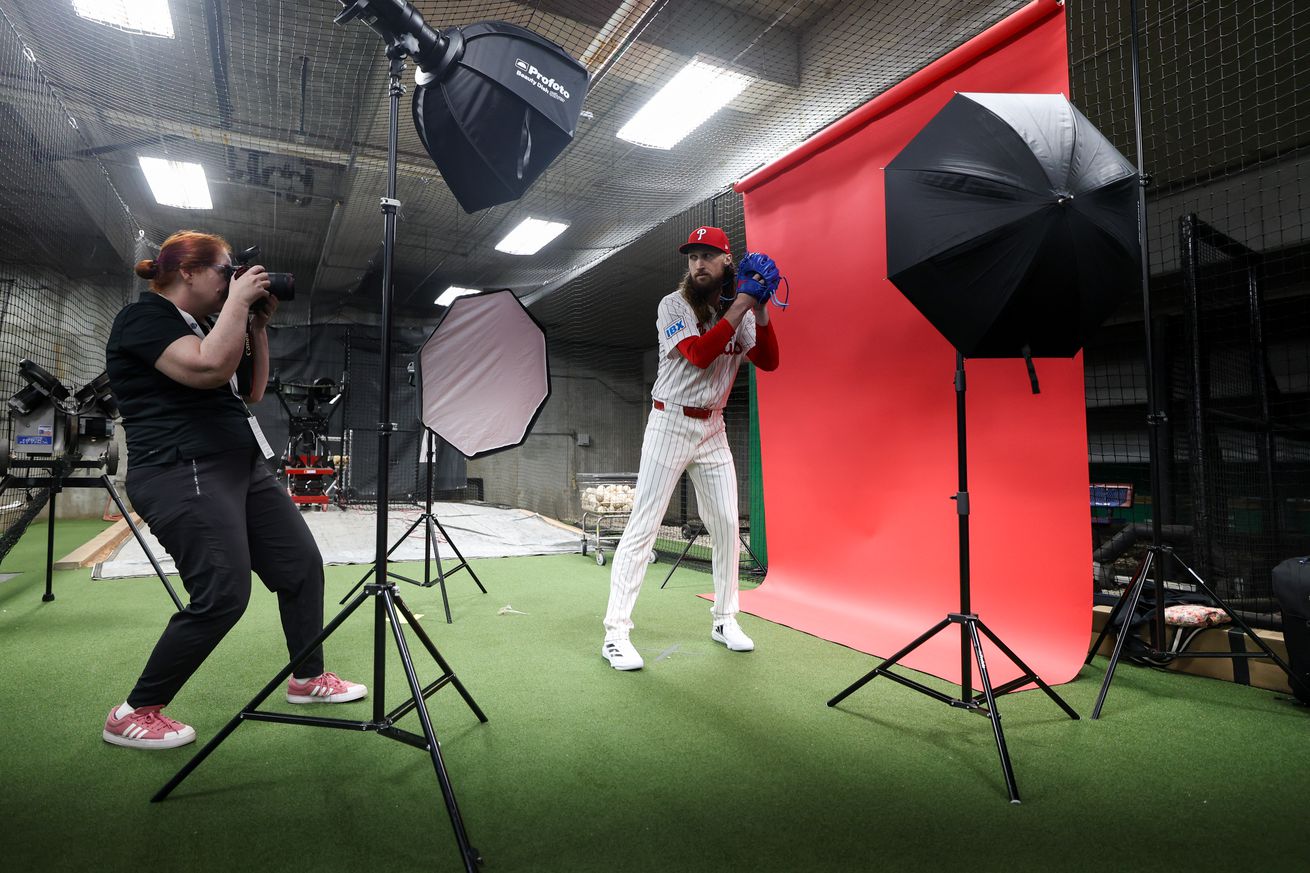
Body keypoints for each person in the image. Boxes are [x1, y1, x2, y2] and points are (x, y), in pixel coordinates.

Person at [101, 230, 365, 750]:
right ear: (188, 272)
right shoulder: (143, 318)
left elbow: (251, 390)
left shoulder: (205, 324)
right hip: (181, 468)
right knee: (223, 591)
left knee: (300, 566)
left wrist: (257, 327)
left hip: (241, 465)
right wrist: (239, 303)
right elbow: (205, 368)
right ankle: (134, 711)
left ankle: (307, 678)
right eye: (225, 272)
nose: (232, 282)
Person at [601, 225, 780, 670]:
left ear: (726, 264)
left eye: (708, 255)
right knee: (644, 525)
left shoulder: (739, 310)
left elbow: (770, 361)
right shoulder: (673, 304)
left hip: (713, 429)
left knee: (724, 524)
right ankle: (616, 633)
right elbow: (699, 354)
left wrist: (762, 308)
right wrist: (743, 302)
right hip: (670, 421)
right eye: (692, 256)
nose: (698, 263)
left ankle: (724, 619)